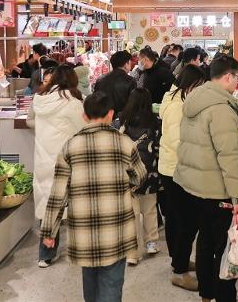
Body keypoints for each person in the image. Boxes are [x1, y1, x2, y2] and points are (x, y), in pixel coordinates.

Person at [40, 91, 146, 302]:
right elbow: (140, 176)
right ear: (111, 114)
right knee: (112, 283)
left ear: (84, 116)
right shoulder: (125, 143)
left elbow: (58, 193)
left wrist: (49, 231)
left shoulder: (70, 146)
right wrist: (122, 187)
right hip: (116, 227)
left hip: (84, 230)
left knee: (90, 278)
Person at [173, 55, 238, 302]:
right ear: (228, 77)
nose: (237, 82)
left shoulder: (196, 99)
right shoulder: (221, 109)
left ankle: (206, 294)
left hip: (194, 186)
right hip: (218, 189)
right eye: (237, 77)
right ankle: (224, 296)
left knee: (205, 242)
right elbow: (230, 156)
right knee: (224, 248)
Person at [28, 64, 85, 268]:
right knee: (77, 204)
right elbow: (83, 128)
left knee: (48, 205)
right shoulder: (72, 103)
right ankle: (80, 249)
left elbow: (32, 122)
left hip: (43, 158)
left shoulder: (40, 99)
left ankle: (45, 254)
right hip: (67, 160)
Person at [158, 66, 205, 292]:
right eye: (199, 86)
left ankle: (180, 260)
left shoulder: (173, 98)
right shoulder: (178, 107)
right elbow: (180, 143)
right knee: (188, 222)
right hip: (176, 169)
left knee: (178, 220)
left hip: (170, 168)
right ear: (190, 84)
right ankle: (179, 271)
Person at [117, 87, 161, 265]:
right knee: (149, 208)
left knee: (132, 214)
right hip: (149, 171)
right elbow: (158, 148)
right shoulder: (154, 121)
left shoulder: (122, 121)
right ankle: (151, 243)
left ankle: (132, 253)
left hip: (128, 172)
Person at [94, 51, 136, 117]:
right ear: (126, 64)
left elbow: (96, 101)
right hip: (121, 118)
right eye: (130, 62)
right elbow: (133, 104)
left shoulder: (100, 79)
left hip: (103, 117)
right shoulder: (130, 81)